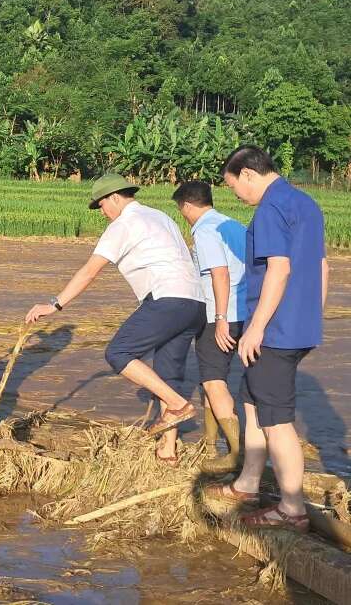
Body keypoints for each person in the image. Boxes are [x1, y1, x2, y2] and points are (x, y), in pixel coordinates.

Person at [25, 173, 206, 465]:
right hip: (195, 302)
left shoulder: (123, 224)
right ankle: (168, 450)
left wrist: (54, 304)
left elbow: (90, 271)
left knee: (118, 352)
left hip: (166, 297)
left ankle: (178, 404)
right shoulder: (160, 216)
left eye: (101, 206)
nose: (102, 213)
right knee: (168, 372)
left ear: (115, 198)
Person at [206, 146, 328, 533]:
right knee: (252, 399)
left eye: (234, 187)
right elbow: (323, 266)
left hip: (275, 330)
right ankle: (248, 483)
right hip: (297, 326)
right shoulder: (306, 203)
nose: (237, 196)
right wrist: (311, 316)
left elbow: (279, 268)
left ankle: (291, 509)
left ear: (247, 174)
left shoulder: (271, 208)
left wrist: (257, 327)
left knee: (277, 419)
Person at [173, 181, 247, 473]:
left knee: (214, 380)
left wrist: (219, 319)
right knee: (209, 377)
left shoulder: (205, 231)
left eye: (182, 211)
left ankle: (235, 454)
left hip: (222, 313)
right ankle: (208, 441)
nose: (183, 216)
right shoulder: (233, 225)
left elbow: (220, 274)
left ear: (188, 206)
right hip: (246, 311)